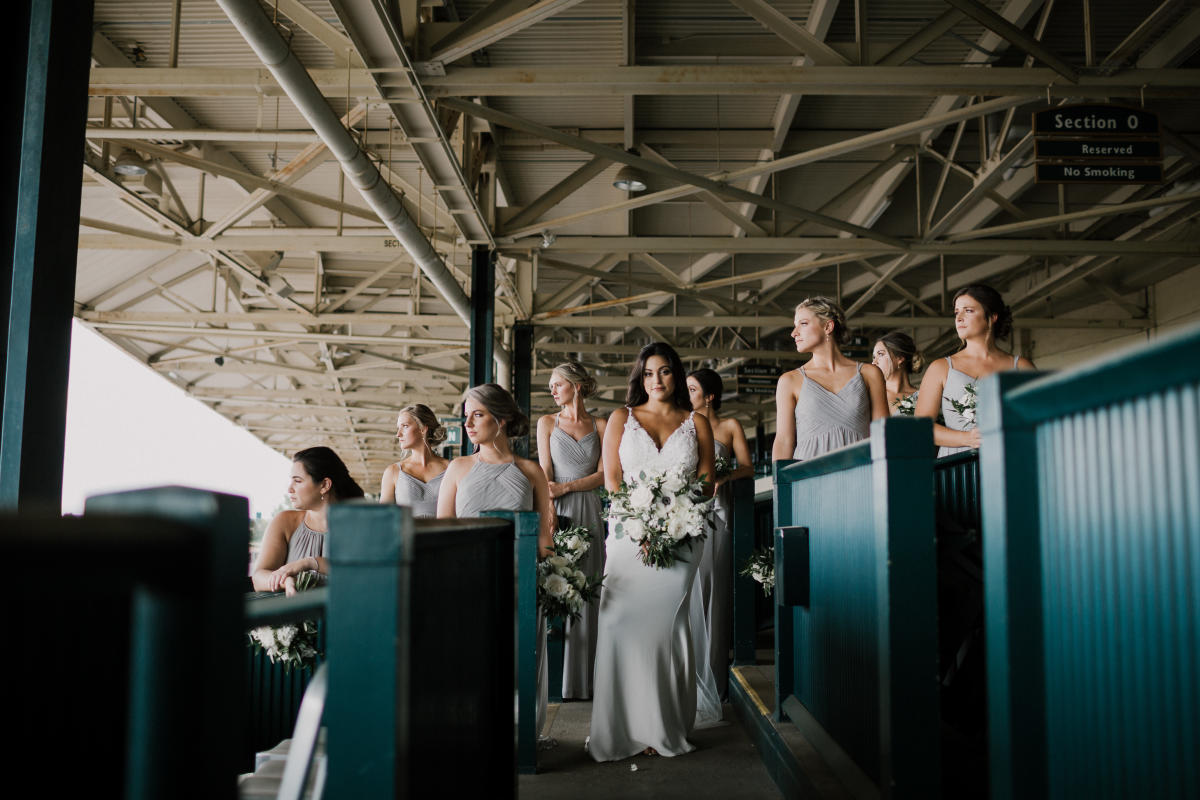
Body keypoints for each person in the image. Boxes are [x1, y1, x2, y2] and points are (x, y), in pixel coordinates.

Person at [589, 342, 717, 761]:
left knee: (666, 631)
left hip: (683, 536)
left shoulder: (696, 421)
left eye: (663, 372)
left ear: (676, 375)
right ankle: (623, 729)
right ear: (638, 378)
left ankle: (663, 727)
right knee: (621, 624)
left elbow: (707, 482)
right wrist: (642, 524)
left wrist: (676, 519)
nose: (656, 380)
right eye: (647, 373)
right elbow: (611, 480)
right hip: (629, 535)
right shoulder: (620, 419)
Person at [437, 383, 556, 742]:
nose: (469, 423)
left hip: (520, 580)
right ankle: (475, 733)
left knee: (520, 660)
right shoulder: (458, 468)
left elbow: (545, 541)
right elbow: (444, 532)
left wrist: (543, 578)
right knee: (474, 662)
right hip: (469, 580)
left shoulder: (531, 471)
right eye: (466, 415)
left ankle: (520, 740)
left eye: (478, 414)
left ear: (500, 420)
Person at [536, 361, 607, 701]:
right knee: (559, 586)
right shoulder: (546, 423)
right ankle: (559, 681)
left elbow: (605, 475)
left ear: (577, 386)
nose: (552, 390)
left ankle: (590, 679)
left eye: (557, 384)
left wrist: (568, 488)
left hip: (590, 509)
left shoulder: (602, 424)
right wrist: (550, 511)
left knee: (590, 586)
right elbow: (544, 473)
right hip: (557, 511)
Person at [686, 368, 753, 700]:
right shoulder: (681, 426)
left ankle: (712, 681)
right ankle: (684, 678)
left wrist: (723, 478)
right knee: (686, 593)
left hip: (718, 517)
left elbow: (747, 466)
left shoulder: (729, 427)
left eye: (693, 389)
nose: (686, 394)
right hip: (684, 519)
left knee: (715, 595)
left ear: (710, 396)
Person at [916, 284, 1034, 456]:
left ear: (992, 316)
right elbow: (921, 427)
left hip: (1012, 457)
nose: (959, 318)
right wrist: (967, 438)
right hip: (957, 466)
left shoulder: (1022, 367)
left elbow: (1040, 418)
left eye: (968, 310)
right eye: (957, 312)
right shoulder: (941, 368)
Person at [772, 297, 890, 461]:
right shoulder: (789, 381)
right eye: (795, 325)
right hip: (810, 478)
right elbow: (784, 441)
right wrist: (780, 484)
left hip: (860, 474)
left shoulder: (869, 374)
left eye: (803, 324)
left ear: (828, 326)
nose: (794, 333)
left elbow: (883, 434)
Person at [251, 446, 365, 595]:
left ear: (324, 485)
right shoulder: (285, 522)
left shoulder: (362, 525)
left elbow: (362, 573)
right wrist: (285, 580)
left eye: (297, 481)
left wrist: (309, 563)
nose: (289, 489)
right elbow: (258, 578)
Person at [379, 404, 450, 517]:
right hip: (407, 534)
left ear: (423, 429)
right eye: (398, 428)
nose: (398, 434)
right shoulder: (393, 472)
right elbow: (383, 519)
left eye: (405, 426)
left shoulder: (451, 468)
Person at [872, 331, 922, 414]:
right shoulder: (869, 394)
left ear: (899, 358)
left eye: (880, 354)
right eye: (874, 357)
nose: (874, 362)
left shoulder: (921, 398)